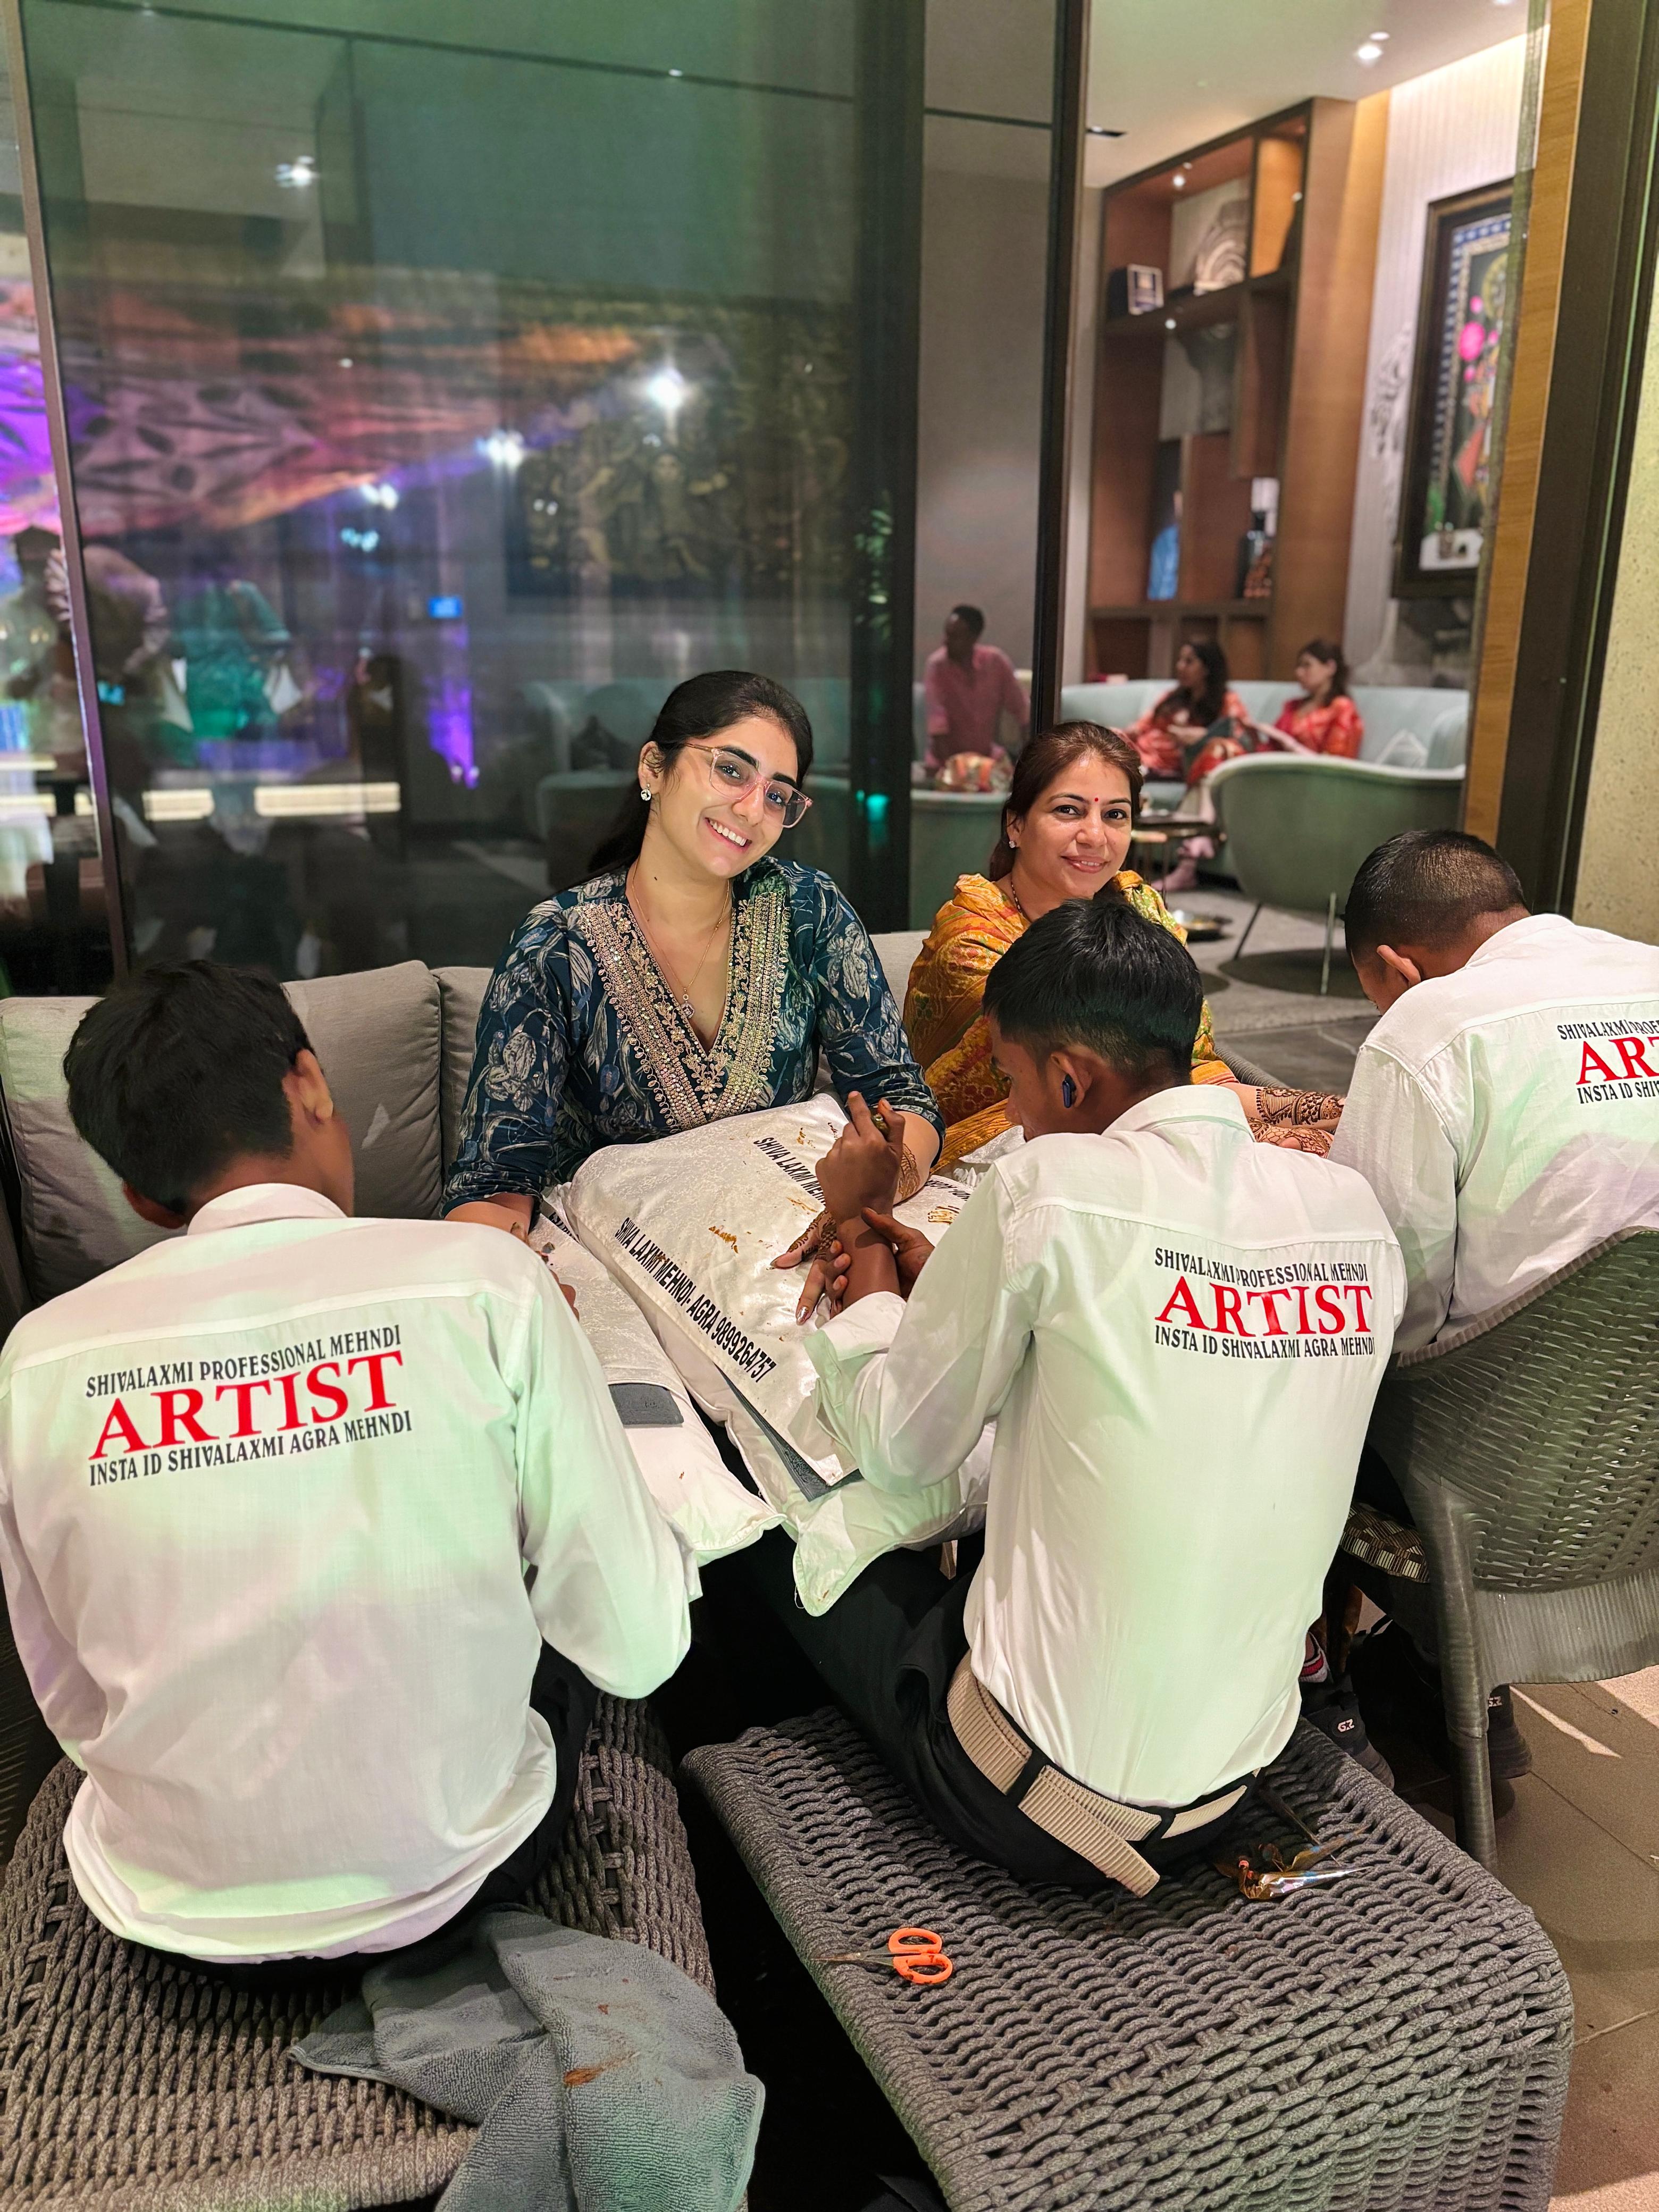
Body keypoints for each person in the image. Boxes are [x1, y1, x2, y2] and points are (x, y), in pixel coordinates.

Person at [0, 961, 690, 1965]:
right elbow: (638, 1648)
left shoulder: (39, 1364)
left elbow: (63, 1690)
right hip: (459, 1884)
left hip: (171, 1916)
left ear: (143, 1198)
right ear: (312, 1083)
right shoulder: (487, 1286)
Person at [742, 899, 1403, 1893]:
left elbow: (902, 1447)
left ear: (1069, 1076)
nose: (1013, 1113)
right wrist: (964, 1288)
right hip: (1234, 1781)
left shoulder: (1045, 1187)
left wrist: (866, 1240)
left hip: (1032, 1803)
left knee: (776, 1521)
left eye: (1011, 1083)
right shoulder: (1355, 1218)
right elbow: (1165, 1381)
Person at [445, 671, 942, 1320]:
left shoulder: (808, 911)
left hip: (788, 1243)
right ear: (655, 765)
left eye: (778, 795)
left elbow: (902, 1099)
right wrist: (513, 1296)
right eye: (731, 770)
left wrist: (863, 1204)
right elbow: (494, 1182)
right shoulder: (558, 947)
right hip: (627, 1273)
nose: (750, 810)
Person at [1330, 830, 1659, 1781]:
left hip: (1501, 1497)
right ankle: (1444, 1688)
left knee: (1296, 1371)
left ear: (1396, 967)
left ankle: (1326, 1694)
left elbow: (1390, 1307)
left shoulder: (1429, 1030)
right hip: (1647, 1478)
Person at [904, 722, 1344, 1170]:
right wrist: (1254, 1134)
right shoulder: (976, 942)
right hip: (1000, 1149)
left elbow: (1188, 1066)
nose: (1096, 836)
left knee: (1336, 1144)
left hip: (1162, 1121)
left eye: (1115, 815)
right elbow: (1093, 1098)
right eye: (1069, 811)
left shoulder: (1140, 909)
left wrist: (1327, 1112)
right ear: (1015, 823)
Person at [1330, 828, 1659, 1351]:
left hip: (1516, 1387)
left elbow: (1392, 1291)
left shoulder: (1426, 1024)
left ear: (1399, 969)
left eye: (1378, 1003)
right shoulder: (1648, 965)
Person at [922, 605, 1029, 775]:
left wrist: (1030, 761)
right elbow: (938, 728)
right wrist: (959, 772)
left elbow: (1023, 711)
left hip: (987, 761)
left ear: (974, 637)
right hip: (944, 764)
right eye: (947, 634)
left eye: (955, 636)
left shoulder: (996, 662)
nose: (946, 641)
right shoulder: (937, 667)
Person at [1126, 639, 1250, 784]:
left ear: (1207, 668)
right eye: (1180, 661)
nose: (1180, 667)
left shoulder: (1227, 701)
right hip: (1139, 753)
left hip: (1167, 764)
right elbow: (1142, 725)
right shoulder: (1172, 697)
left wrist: (1199, 735)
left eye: (1189, 662)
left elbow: (1238, 739)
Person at [1267, 640, 1364, 759]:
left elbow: (1336, 759)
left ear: (1330, 667)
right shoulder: (1294, 706)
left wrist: (1294, 748)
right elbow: (1272, 746)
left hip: (1316, 773)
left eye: (1307, 665)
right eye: (1298, 666)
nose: (1299, 673)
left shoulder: (1341, 707)